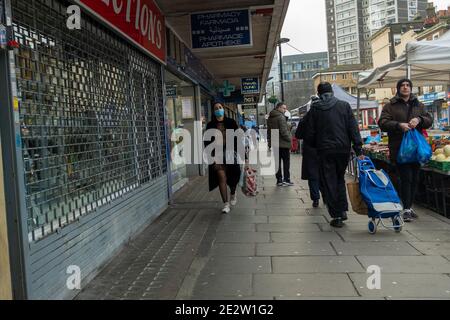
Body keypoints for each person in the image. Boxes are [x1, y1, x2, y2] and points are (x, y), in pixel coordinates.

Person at [304, 82, 364, 228]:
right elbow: (353, 129)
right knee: (339, 179)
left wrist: (314, 145)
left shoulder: (315, 109)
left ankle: (336, 215)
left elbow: (309, 133)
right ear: (332, 92)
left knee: (328, 181)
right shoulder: (344, 106)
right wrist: (358, 149)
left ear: (318, 94)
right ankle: (343, 209)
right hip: (343, 150)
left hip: (324, 151)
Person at [378, 78, 432, 222]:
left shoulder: (419, 105)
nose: (405, 87)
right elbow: (382, 123)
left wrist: (419, 120)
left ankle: (409, 206)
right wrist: (398, 125)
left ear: (411, 88)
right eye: (402, 85)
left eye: (408, 85)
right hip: (399, 148)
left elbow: (429, 120)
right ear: (398, 88)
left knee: (415, 179)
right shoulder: (390, 106)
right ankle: (406, 208)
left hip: (416, 149)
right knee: (405, 178)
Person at [205, 102, 242, 214]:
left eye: (220, 107)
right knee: (221, 177)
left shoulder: (231, 122)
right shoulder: (210, 125)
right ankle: (226, 204)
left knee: (234, 175)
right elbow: (207, 142)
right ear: (213, 111)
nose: (218, 109)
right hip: (217, 154)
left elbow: (238, 139)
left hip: (231, 152)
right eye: (216, 108)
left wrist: (244, 156)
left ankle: (233, 192)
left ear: (223, 109)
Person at [296, 102, 321, 208]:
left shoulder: (305, 119)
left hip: (310, 150)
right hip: (323, 149)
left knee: (313, 176)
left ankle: (315, 199)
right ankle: (327, 196)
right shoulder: (325, 117)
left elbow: (298, 135)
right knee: (325, 173)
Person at [267, 102, 293, 186]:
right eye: (283, 108)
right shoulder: (281, 117)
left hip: (275, 142)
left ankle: (279, 180)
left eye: (285, 108)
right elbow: (283, 131)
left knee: (277, 163)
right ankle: (286, 179)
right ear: (278, 108)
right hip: (283, 143)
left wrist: (269, 143)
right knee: (286, 162)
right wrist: (290, 139)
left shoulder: (270, 117)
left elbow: (269, 131)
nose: (285, 110)